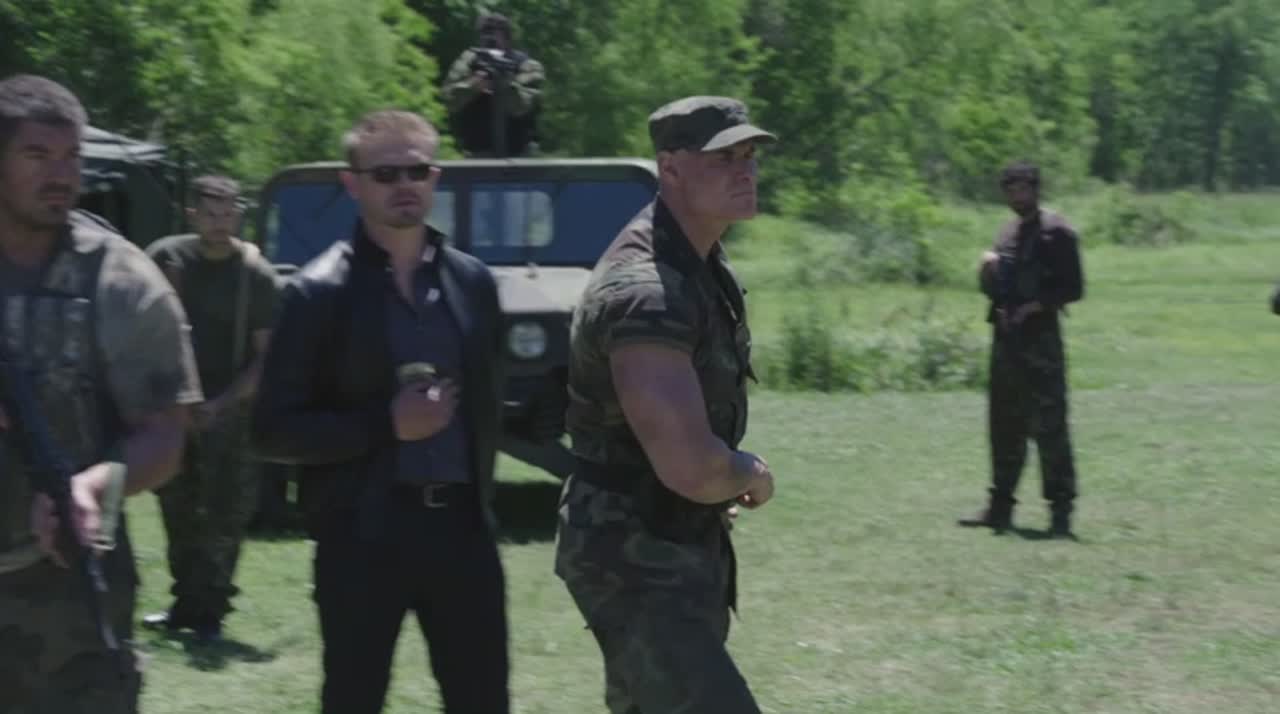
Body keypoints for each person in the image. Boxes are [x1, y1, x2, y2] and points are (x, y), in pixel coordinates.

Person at [250, 109, 510, 714]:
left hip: (463, 532)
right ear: (353, 183)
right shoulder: (317, 292)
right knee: (354, 698)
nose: (404, 185)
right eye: (385, 173)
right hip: (361, 535)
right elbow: (271, 430)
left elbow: (485, 400)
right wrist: (385, 425)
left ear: (435, 177)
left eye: (417, 171)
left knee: (483, 700)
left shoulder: (473, 283)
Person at [554, 96, 778, 714]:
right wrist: (749, 474)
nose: (745, 170)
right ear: (670, 168)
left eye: (749, 155)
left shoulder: (700, 259)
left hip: (672, 539)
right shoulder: (646, 290)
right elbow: (692, 467)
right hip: (634, 557)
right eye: (723, 158)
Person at [0, 73, 201, 712]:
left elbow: (165, 436)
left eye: (71, 156)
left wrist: (93, 487)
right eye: (37, 155)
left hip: (67, 607)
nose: (60, 175)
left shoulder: (121, 282)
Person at [141, 175, 281, 641]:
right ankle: (184, 604)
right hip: (174, 406)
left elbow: (265, 358)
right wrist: (174, 399)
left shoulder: (255, 275)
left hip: (233, 409)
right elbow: (144, 330)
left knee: (225, 513)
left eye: (228, 214)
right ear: (192, 215)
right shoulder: (166, 258)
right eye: (210, 213)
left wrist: (221, 404)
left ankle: (211, 612)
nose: (220, 223)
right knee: (177, 507)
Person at [960, 161, 1085, 538]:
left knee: (1050, 429)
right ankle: (999, 508)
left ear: (1036, 189)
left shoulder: (1056, 231)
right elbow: (1001, 287)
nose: (1016, 196)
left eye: (1022, 188)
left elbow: (1074, 288)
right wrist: (988, 271)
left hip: (1041, 344)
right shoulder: (1008, 232)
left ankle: (1060, 514)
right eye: (1010, 189)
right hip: (1007, 343)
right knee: (1003, 426)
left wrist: (1035, 306)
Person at [442, 12, 545, 157]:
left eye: (494, 34)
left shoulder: (527, 66)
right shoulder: (470, 60)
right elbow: (448, 100)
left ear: (507, 38)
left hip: (519, 153)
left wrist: (505, 83)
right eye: (485, 33)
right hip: (478, 152)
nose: (489, 39)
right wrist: (473, 85)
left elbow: (521, 107)